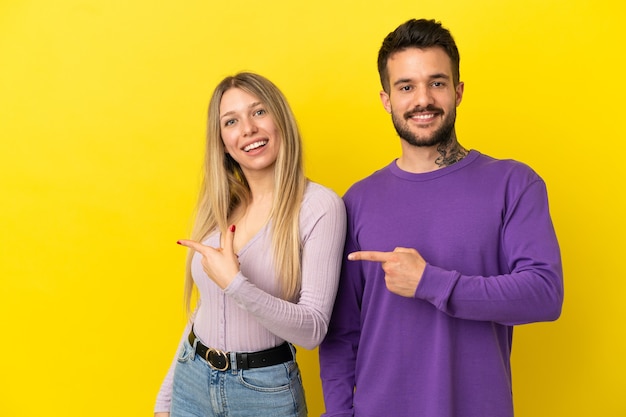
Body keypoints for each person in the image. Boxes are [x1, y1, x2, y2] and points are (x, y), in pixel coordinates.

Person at [319, 18, 564, 417]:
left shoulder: (514, 183)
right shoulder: (357, 200)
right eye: (406, 87)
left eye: (437, 82)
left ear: (458, 91)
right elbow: (341, 334)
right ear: (386, 99)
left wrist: (429, 283)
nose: (422, 100)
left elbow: (544, 294)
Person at [154, 72, 346, 417]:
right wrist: (166, 399)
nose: (248, 129)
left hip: (264, 394)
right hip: (191, 379)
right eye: (231, 121)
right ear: (223, 141)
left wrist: (236, 284)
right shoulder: (220, 207)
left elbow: (313, 329)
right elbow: (204, 309)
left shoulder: (318, 207)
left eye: (258, 112)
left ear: (280, 120)